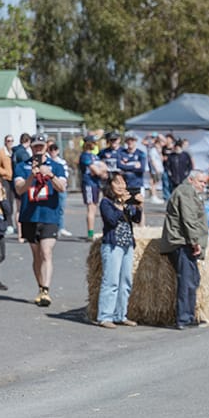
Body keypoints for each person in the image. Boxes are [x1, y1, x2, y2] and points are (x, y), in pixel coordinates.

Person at [14, 133, 69, 307]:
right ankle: (40, 287)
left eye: (41, 146)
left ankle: (46, 289)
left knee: (47, 252)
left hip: (49, 215)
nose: (38, 149)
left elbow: (62, 188)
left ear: (46, 146)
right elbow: (19, 189)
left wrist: (50, 175)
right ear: (31, 147)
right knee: (36, 255)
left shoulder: (57, 166)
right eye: (35, 146)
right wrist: (31, 176)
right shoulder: (22, 166)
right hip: (30, 216)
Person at [157, 170, 209, 329]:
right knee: (187, 281)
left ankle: (188, 315)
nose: (204, 185)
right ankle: (184, 318)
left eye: (205, 182)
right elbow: (189, 218)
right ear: (192, 180)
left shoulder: (188, 191)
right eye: (201, 182)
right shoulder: (186, 191)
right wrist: (195, 241)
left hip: (183, 241)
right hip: (181, 242)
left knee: (192, 279)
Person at [96, 172, 143, 328]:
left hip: (127, 245)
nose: (121, 186)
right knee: (111, 281)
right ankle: (105, 316)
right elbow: (111, 220)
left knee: (125, 281)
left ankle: (120, 315)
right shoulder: (106, 203)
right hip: (113, 245)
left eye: (123, 183)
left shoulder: (126, 202)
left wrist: (138, 206)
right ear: (110, 185)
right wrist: (120, 204)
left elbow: (136, 219)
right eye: (117, 183)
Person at [79, 137, 108, 240]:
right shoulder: (85, 156)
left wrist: (101, 170)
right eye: (93, 143)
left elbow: (104, 166)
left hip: (95, 183)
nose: (95, 144)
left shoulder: (94, 156)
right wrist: (100, 172)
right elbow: (97, 171)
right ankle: (90, 234)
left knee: (95, 208)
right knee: (91, 208)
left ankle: (92, 232)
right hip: (89, 183)